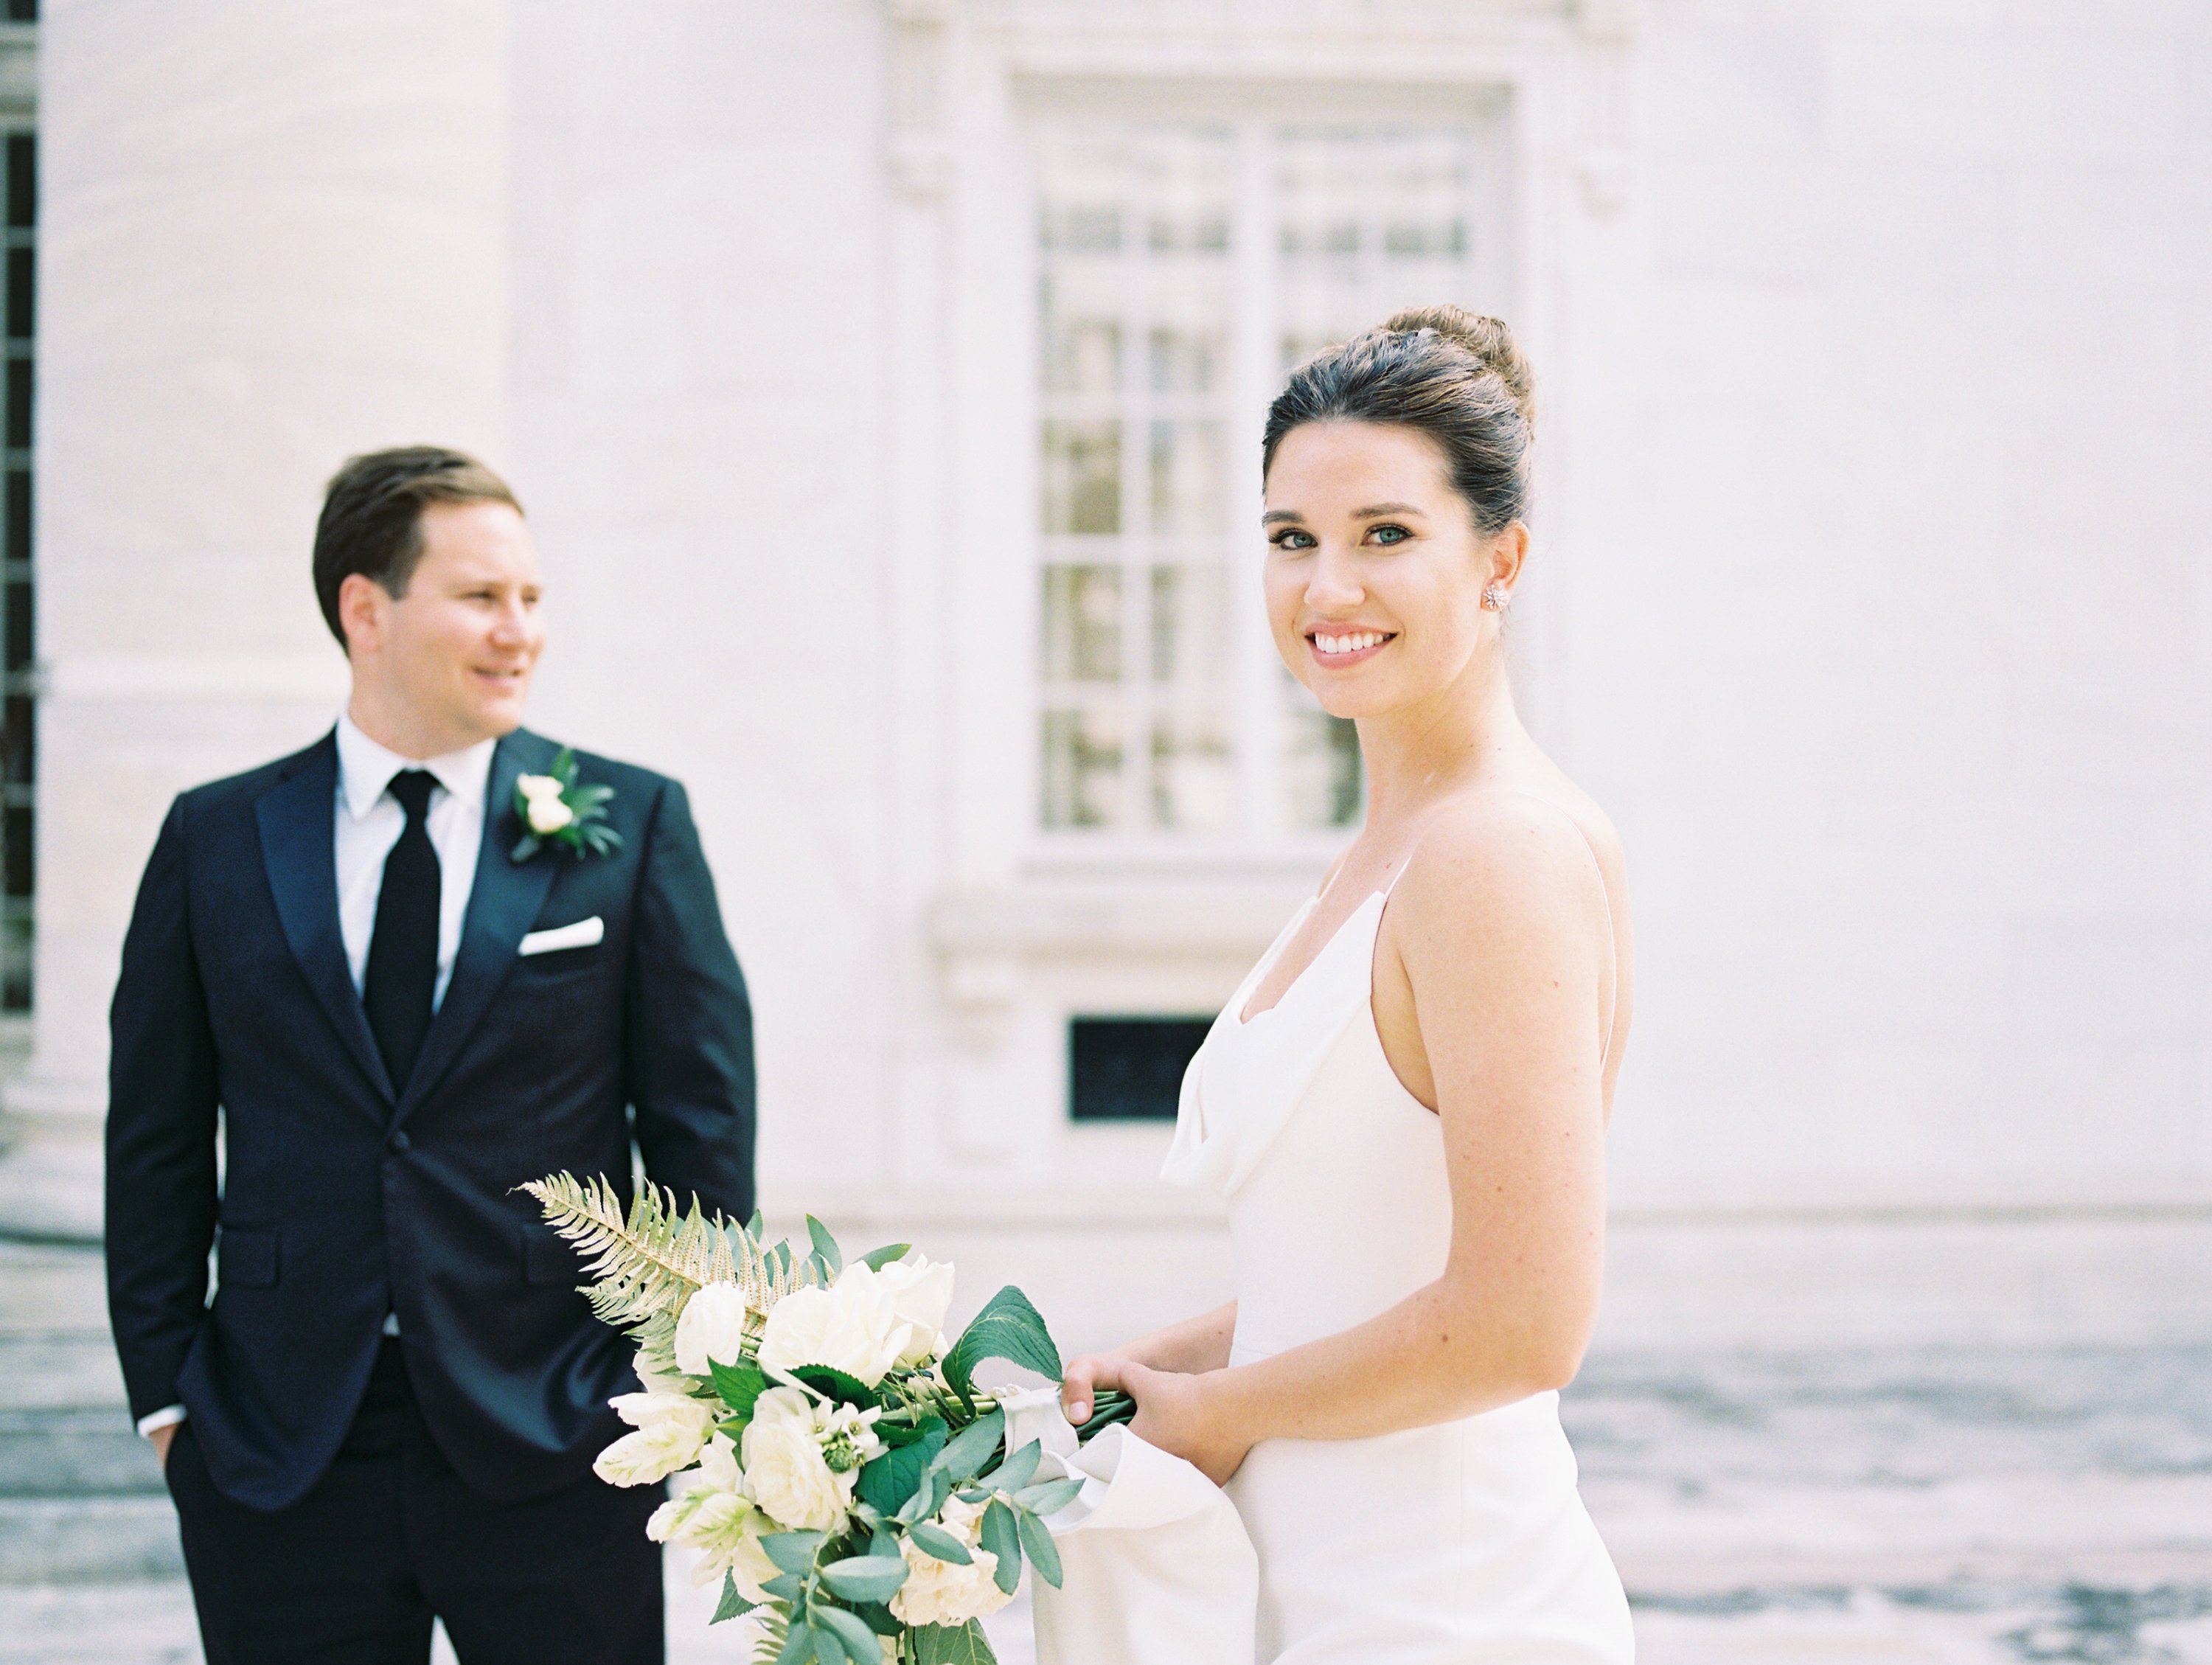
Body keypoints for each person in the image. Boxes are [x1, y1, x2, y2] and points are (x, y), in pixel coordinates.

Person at [104, 447, 755, 1664]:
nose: (522, 632)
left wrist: (666, 1386)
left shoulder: (633, 823)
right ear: (368, 610)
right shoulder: (216, 838)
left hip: (564, 1435)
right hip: (276, 1448)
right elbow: (152, 1142)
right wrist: (170, 1404)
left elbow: (702, 1141)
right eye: (482, 598)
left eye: (533, 599)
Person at [1060, 309, 1636, 1661]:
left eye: (1386, 535)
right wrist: (1169, 1371)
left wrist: (1226, 1409)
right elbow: (1353, 1266)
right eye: (1290, 539)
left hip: (1444, 1602)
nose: (1328, 588)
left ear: (1502, 561)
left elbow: (1523, 1319)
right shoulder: (1387, 850)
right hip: (1308, 1579)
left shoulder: (1497, 852)